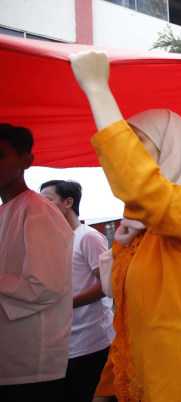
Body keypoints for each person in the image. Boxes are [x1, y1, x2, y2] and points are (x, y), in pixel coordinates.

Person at [69, 50, 181, 401]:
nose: (132, 155)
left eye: (140, 144)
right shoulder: (132, 234)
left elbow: (141, 188)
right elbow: (129, 322)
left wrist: (97, 90)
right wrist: (108, 386)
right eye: (130, 145)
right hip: (147, 384)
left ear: (170, 149)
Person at [0, 124, 74, 402]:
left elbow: (44, 286)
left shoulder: (37, 210)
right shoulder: (9, 210)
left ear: (25, 161)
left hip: (32, 363)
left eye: (0, 154)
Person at [40, 180, 114, 402]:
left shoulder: (88, 236)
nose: (41, 206)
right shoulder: (51, 240)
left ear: (67, 202)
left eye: (47, 200)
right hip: (63, 343)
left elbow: (105, 286)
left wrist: (66, 304)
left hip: (93, 341)